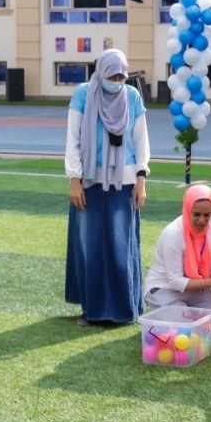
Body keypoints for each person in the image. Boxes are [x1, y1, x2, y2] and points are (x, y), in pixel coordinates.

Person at [65, 48, 150, 327]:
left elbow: (140, 141)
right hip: (89, 180)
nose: (117, 81)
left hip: (124, 182)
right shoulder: (83, 93)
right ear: (101, 73)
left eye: (121, 76)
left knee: (120, 244)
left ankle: (124, 310)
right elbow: (73, 137)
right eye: (112, 75)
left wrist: (141, 179)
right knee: (90, 244)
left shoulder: (132, 97)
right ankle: (94, 310)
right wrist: (74, 179)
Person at [142, 184, 211, 340]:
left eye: (207, 214)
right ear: (187, 209)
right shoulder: (173, 234)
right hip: (164, 290)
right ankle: (165, 318)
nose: (202, 220)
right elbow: (175, 281)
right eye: (197, 214)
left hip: (196, 289)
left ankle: (179, 316)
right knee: (187, 335)